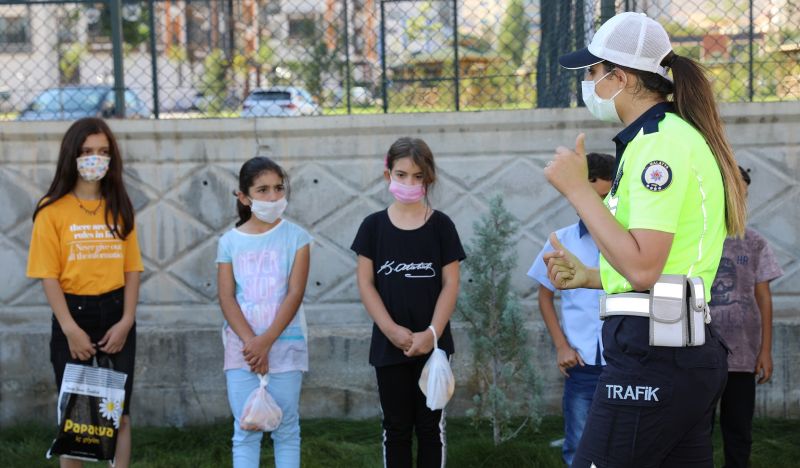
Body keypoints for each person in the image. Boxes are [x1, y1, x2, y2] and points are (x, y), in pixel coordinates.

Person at [542, 11, 747, 468]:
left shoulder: (660, 144)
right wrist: (596, 276)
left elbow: (643, 268)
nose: (588, 83)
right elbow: (657, 262)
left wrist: (578, 189)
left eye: (592, 72)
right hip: (668, 349)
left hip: (655, 355)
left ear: (620, 76)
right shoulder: (652, 140)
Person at [27, 117, 143, 468]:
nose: (96, 158)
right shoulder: (51, 210)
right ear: (72, 155)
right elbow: (48, 275)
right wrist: (70, 328)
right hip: (72, 318)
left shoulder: (120, 205)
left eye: (104, 152)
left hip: (116, 314)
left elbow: (132, 268)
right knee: (76, 418)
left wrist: (126, 321)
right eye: (87, 151)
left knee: (118, 413)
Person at [351, 137, 465, 468]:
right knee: (396, 429)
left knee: (430, 429)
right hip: (390, 347)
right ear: (387, 175)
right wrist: (391, 330)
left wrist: (431, 333)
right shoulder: (373, 227)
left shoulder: (441, 226)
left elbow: (451, 283)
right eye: (401, 175)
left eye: (418, 177)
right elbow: (365, 283)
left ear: (428, 179)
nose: (409, 183)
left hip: (435, 346)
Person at [216, 156, 312, 468]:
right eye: (262, 190)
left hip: (285, 346)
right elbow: (227, 297)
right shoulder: (229, 242)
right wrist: (251, 343)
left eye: (278, 189)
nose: (273, 197)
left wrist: (266, 341)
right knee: (246, 428)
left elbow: (295, 293)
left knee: (286, 428)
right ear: (243, 197)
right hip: (242, 350)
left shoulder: (297, 237)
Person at [527, 152, 614, 466]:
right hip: (582, 365)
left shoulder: (631, 242)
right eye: (592, 197)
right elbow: (544, 295)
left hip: (627, 361)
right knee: (578, 444)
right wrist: (561, 345)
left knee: (624, 444)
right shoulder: (561, 241)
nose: (598, 206)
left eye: (607, 197)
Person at [709, 166, 783, 468]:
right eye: (736, 192)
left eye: (745, 194)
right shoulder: (696, 238)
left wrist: (764, 350)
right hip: (700, 353)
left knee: (738, 430)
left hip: (742, 355)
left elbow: (763, 297)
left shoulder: (754, 242)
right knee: (694, 429)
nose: (741, 199)